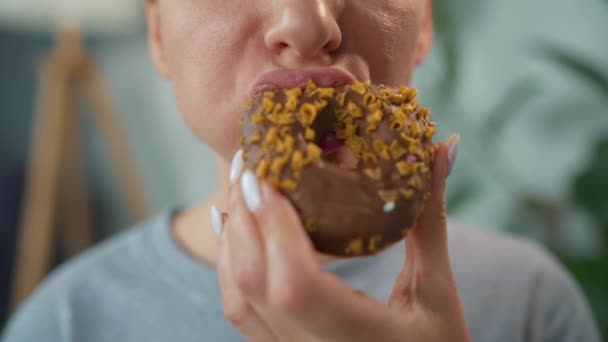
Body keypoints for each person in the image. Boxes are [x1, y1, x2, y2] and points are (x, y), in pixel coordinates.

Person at [1, 1, 601, 341]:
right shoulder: (66, 322)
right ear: (159, 34)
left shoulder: (531, 305)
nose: (308, 23)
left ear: (423, 25)